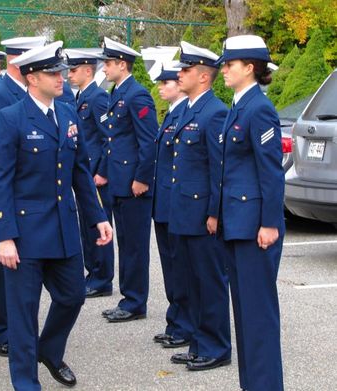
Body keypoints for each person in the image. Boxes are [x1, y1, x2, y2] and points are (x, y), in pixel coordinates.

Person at [0, 41, 113, 390]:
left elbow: (80, 172)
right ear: (31, 77)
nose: (62, 78)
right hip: (24, 234)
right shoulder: (10, 118)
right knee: (23, 315)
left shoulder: (68, 114)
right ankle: (27, 383)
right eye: (53, 73)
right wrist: (5, 235)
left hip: (63, 228)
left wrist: (97, 216)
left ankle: (50, 351)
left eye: (62, 71)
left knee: (73, 296)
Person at [216, 35, 285, 391]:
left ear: (250, 68)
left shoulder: (259, 108)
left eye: (230, 64)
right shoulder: (240, 105)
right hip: (237, 225)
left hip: (255, 228)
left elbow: (271, 172)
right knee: (244, 316)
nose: (224, 69)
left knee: (258, 318)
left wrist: (270, 224)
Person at [0, 36, 46, 357]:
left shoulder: (30, 94)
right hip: (4, 202)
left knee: (23, 271)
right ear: (18, 63)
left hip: (31, 201)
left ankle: (19, 329)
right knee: (2, 270)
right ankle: (0, 332)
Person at [166, 42, 231, 371]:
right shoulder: (190, 109)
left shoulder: (215, 112)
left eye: (186, 70)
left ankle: (216, 347)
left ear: (204, 77)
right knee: (191, 281)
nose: (180, 74)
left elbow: (218, 170)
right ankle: (198, 342)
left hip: (201, 214)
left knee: (209, 282)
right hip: (183, 212)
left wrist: (213, 213)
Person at [100, 37, 158, 323]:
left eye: (108, 63)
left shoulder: (137, 95)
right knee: (125, 241)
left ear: (122, 64)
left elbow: (148, 142)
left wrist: (142, 178)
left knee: (134, 245)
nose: (105, 68)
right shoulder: (117, 93)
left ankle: (135, 301)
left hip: (134, 184)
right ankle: (128, 297)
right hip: (119, 181)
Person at [66, 49, 114, 298]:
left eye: (73, 70)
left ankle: (102, 277)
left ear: (88, 70)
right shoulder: (81, 97)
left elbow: (109, 137)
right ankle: (93, 272)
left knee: (99, 226)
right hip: (87, 174)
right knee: (87, 226)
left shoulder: (97, 98)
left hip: (97, 175)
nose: (69, 75)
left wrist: (103, 172)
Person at [150, 65, 189, 345]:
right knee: (170, 266)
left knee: (180, 267)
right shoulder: (172, 113)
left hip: (176, 204)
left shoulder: (185, 113)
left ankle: (184, 324)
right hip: (164, 202)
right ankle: (175, 320)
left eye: (167, 82)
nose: (162, 87)